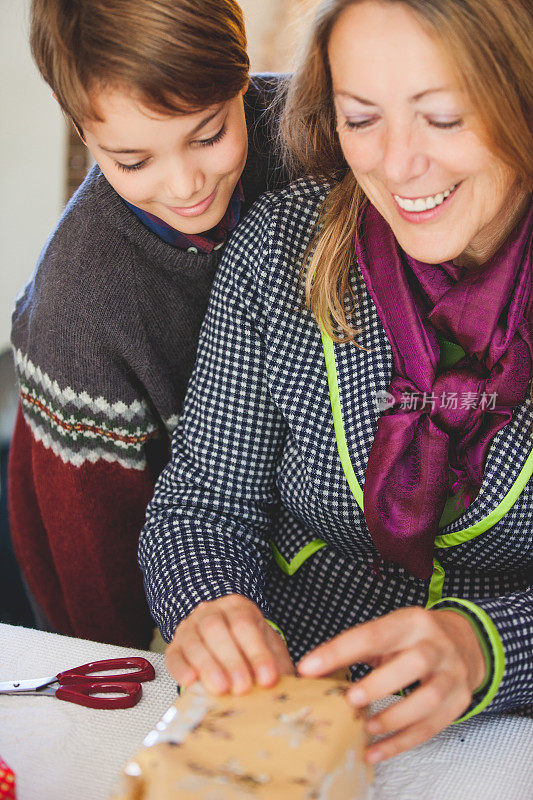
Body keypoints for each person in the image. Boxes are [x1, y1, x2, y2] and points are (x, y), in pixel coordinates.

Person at [139, 0, 532, 763]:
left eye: (443, 117)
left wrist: (488, 647)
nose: (395, 164)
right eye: (361, 118)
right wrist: (216, 608)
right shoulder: (279, 248)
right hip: (286, 719)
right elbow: (201, 506)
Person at [8, 0, 287, 648]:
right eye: (134, 161)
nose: (187, 183)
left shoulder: (312, 133)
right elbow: (95, 587)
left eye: (209, 133)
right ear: (83, 131)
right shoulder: (75, 315)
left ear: (241, 76)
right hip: (141, 611)